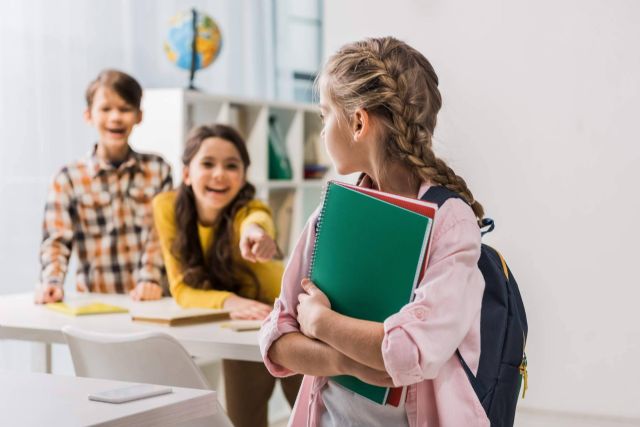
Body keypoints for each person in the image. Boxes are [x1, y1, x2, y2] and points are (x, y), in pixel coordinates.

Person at [259, 36, 489, 426]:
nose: (322, 131)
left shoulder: (452, 222)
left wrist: (322, 324)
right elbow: (276, 338)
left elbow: (413, 350)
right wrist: (340, 359)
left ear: (358, 122)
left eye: (323, 116)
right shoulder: (331, 214)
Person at [152, 124, 302, 427]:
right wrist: (232, 303)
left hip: (293, 316)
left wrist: (257, 233)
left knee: (310, 416)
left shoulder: (247, 209)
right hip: (244, 321)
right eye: (207, 164)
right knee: (244, 420)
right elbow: (181, 289)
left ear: (243, 176)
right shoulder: (166, 206)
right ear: (186, 173)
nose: (219, 174)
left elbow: (257, 220)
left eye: (231, 166)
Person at [36, 69, 172, 304]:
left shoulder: (158, 169)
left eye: (125, 108)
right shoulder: (68, 178)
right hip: (95, 304)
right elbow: (56, 241)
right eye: (106, 109)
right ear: (88, 115)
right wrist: (52, 282)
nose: (116, 117)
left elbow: (162, 234)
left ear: (139, 116)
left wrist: (150, 279)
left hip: (152, 301)